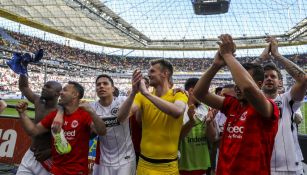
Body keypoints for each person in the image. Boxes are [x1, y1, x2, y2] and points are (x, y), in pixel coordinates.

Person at [193, 34, 279, 175]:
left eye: (241, 81)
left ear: (259, 84)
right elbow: (199, 93)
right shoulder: (232, 105)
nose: (237, 86)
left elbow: (248, 88)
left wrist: (227, 55)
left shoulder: (269, 108)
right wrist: (216, 65)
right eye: (236, 82)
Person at [16, 81, 107, 175]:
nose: (61, 93)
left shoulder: (85, 114)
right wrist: (22, 113)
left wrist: (92, 112)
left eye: (65, 90)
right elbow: (33, 131)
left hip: (76, 171)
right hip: (56, 170)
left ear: (75, 95)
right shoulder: (54, 115)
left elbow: (101, 131)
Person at [128, 59, 188, 174]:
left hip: (168, 166)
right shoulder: (142, 97)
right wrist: (135, 94)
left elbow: (177, 111)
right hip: (143, 163)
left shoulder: (179, 94)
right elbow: (132, 118)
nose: (148, 74)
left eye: (152, 71)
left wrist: (145, 93)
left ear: (165, 74)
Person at [259, 37, 307, 175]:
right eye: (265, 76)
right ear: (259, 81)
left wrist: (277, 55)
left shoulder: (287, 99)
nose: (268, 78)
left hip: (290, 168)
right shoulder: (252, 100)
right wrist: (262, 57)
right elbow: (242, 80)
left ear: (279, 81)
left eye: (273, 76)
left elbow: (303, 79)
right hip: (261, 166)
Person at [90, 72, 141, 175]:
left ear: (113, 89)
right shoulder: (91, 107)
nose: (101, 86)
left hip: (126, 158)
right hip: (105, 160)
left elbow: (123, 117)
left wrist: (133, 93)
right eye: (98, 84)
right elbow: (97, 131)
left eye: (105, 83)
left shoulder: (123, 101)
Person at [17, 74, 62, 175]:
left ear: (57, 94)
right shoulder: (38, 102)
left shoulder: (61, 112)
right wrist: (23, 69)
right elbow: (24, 87)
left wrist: (51, 151)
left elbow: (69, 138)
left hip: (49, 159)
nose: (43, 88)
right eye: (44, 85)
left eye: (48, 87)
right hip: (32, 154)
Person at [178, 78, 217, 175]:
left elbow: (212, 139)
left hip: (201, 164)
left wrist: (209, 124)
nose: (206, 95)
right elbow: (176, 137)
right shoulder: (179, 108)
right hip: (181, 165)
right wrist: (191, 122)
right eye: (203, 92)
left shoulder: (206, 108)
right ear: (191, 91)